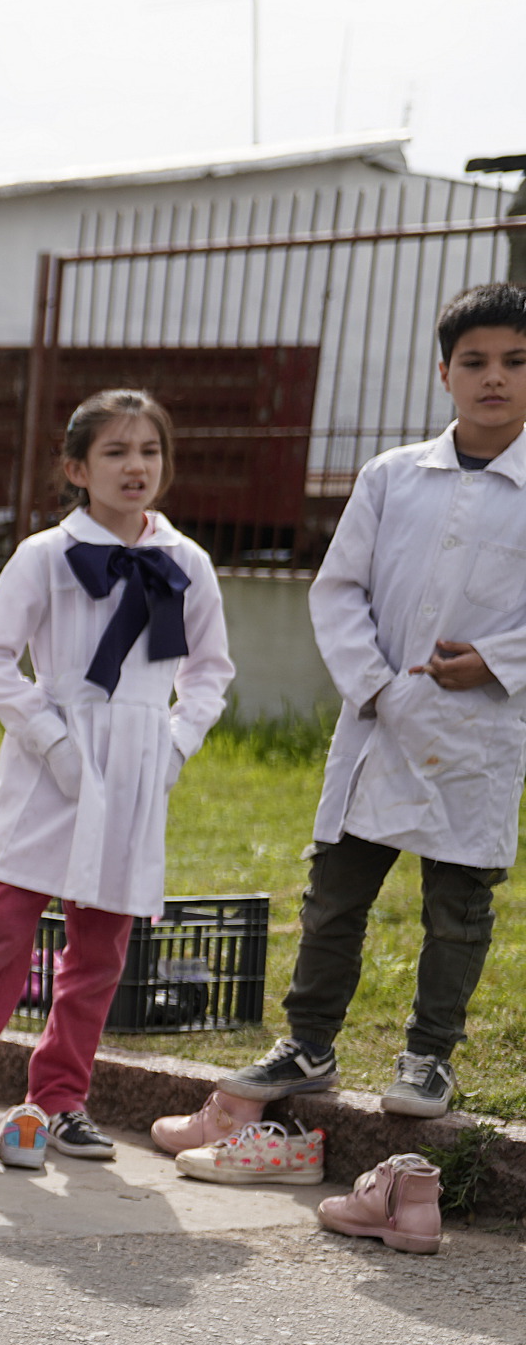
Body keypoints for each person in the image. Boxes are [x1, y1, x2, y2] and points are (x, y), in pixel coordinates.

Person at [164, 284, 526, 1139]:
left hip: (480, 730)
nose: (495, 379)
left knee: (458, 905)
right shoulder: (391, 476)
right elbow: (338, 590)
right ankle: (309, 1042)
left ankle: (429, 1052)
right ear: (444, 372)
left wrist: (499, 662)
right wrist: (377, 686)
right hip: (379, 723)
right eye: (474, 362)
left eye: (515, 361)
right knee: (335, 895)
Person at [0, 391, 232, 1168]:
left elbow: (210, 672)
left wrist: (175, 745)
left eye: (149, 451)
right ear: (77, 468)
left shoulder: (188, 564)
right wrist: (54, 740)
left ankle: (60, 1099)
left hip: (138, 768)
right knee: (2, 937)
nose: (135, 466)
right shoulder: (44, 556)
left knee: (100, 948)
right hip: (54, 769)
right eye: (115, 451)